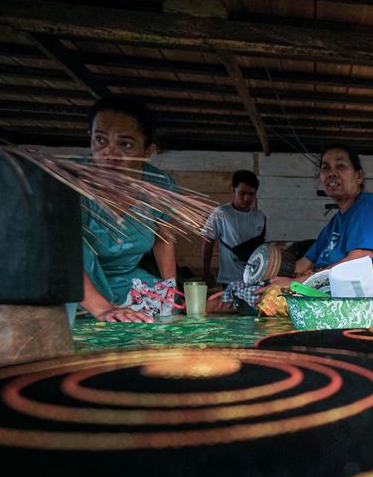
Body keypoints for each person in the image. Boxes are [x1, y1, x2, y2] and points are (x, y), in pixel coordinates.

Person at [79, 96, 178, 323]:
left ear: (147, 151)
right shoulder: (73, 185)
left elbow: (164, 237)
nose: (110, 153)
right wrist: (103, 309)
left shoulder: (159, 186)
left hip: (124, 281)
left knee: (165, 314)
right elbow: (63, 256)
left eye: (125, 144)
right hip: (76, 282)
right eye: (100, 140)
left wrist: (169, 291)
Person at [290, 144, 373, 288]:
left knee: (273, 298)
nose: (332, 173)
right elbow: (303, 264)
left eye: (340, 166)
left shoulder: (369, 205)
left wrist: (294, 283)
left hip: (360, 290)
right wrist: (274, 277)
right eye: (326, 167)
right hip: (332, 285)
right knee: (266, 289)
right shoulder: (333, 224)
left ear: (359, 176)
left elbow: (357, 262)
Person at [201, 170, 267, 286]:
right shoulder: (221, 213)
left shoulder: (260, 217)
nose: (246, 198)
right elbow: (208, 242)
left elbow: (267, 248)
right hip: (229, 280)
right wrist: (206, 271)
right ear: (233, 190)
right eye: (242, 193)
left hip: (256, 280)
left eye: (251, 194)